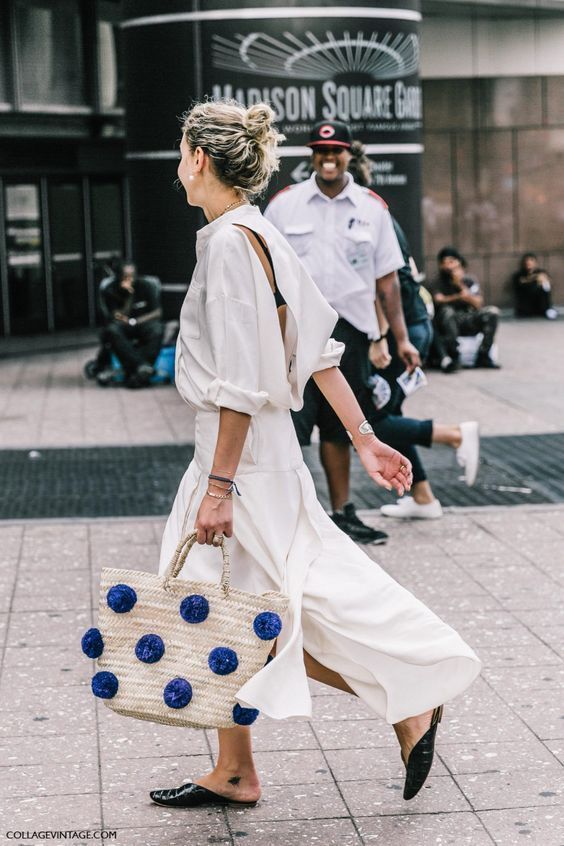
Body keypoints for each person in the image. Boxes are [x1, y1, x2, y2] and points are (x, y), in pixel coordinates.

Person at [149, 99, 481, 810]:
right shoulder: (259, 233)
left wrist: (217, 487)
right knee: (230, 611)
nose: (179, 167)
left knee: (230, 614)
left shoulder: (231, 243)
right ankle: (239, 765)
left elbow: (241, 381)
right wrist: (364, 437)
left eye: (183, 154)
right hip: (254, 458)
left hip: (238, 462)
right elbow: (320, 349)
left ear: (200, 160)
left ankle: (404, 701)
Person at [264, 120, 421, 544]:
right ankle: (290, 518)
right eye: (320, 151)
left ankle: (341, 513)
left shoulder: (372, 207)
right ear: (311, 156)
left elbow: (387, 281)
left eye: (336, 151)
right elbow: (266, 276)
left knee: (341, 427)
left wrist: (400, 338)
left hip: (350, 331)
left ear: (350, 153)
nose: (328, 158)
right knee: (291, 426)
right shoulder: (284, 205)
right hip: (294, 332)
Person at [348, 142, 480, 519]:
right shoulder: (379, 213)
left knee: (374, 417)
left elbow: (380, 283)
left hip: (398, 328)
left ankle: (455, 434)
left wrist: (380, 338)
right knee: (388, 412)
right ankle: (423, 498)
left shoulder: (366, 216)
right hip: (410, 324)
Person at [84, 260, 164, 388]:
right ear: (119, 276)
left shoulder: (146, 285)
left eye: (133, 275)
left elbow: (157, 312)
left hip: (142, 322)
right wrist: (129, 295)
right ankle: (141, 367)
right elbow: (117, 316)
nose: (130, 279)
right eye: (126, 276)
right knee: (112, 331)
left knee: (157, 329)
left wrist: (137, 321)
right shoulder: (110, 289)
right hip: (123, 324)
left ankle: (140, 370)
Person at [432, 247, 500, 371]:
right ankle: (454, 356)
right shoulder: (439, 281)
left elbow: (478, 304)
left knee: (492, 312)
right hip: (449, 323)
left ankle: (483, 355)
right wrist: (458, 297)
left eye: (451, 261)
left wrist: (460, 284)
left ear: (459, 262)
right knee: (448, 312)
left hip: (469, 318)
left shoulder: (469, 280)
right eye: (444, 262)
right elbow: (438, 300)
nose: (448, 266)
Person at [512, 253, 557, 319]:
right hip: (526, 306)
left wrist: (543, 279)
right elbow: (521, 282)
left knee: (544, 283)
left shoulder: (541, 272)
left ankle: (548, 309)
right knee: (535, 284)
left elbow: (549, 283)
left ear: (535, 263)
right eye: (527, 261)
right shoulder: (519, 274)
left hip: (540, 304)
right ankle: (547, 310)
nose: (529, 262)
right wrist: (535, 278)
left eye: (531, 260)